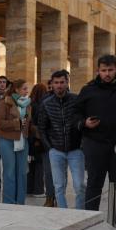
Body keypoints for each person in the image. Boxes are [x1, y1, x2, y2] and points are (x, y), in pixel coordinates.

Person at [75, 55, 116, 230]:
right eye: (104, 70)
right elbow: (76, 114)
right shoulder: (88, 90)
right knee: (94, 182)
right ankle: (89, 218)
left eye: (110, 70)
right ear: (98, 71)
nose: (107, 74)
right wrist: (84, 123)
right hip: (95, 143)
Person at [41, 70, 85, 209]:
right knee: (59, 186)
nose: (59, 85)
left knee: (79, 186)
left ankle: (79, 214)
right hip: (56, 150)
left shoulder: (76, 100)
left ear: (67, 83)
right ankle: (63, 212)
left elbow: (83, 123)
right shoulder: (46, 104)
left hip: (76, 149)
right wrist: (50, 147)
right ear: (52, 84)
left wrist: (82, 144)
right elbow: (42, 128)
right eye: (56, 83)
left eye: (62, 82)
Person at [0, 79, 32, 205]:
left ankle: (20, 202)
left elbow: (28, 123)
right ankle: (9, 202)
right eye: (24, 89)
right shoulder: (4, 102)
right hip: (7, 141)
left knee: (22, 172)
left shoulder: (27, 104)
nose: (27, 91)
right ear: (16, 90)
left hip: (23, 140)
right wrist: (17, 123)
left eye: (27, 89)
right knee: (10, 172)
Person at [28, 82, 56, 203]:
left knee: (32, 164)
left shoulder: (31, 103)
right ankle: (39, 190)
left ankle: (29, 189)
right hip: (40, 140)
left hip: (32, 139)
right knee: (40, 165)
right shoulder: (42, 104)